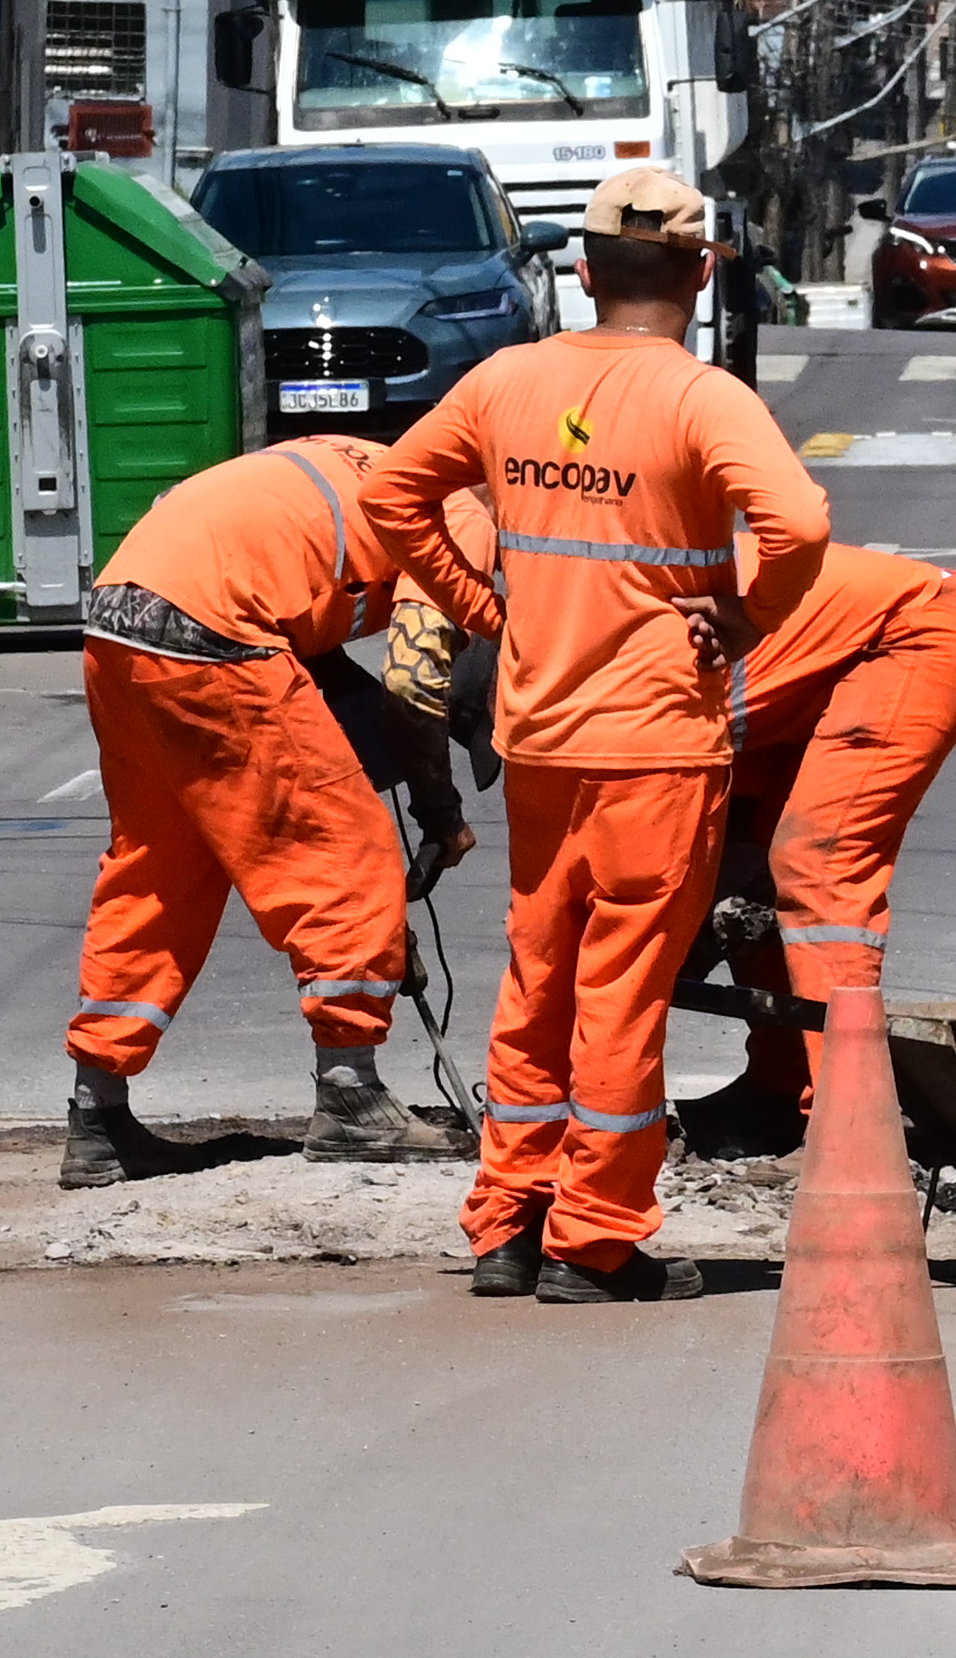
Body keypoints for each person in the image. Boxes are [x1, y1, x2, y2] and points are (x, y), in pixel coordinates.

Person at [351, 153, 827, 1302]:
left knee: (540, 975)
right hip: (658, 740)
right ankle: (596, 1237)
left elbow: (391, 496)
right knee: (620, 990)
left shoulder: (507, 381)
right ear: (703, 272)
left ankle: (507, 1221)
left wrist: (480, 609)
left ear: (581, 268)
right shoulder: (702, 396)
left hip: (542, 739)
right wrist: (747, 612)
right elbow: (800, 521)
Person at [60, 428, 489, 1182]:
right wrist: (440, 816)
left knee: (161, 867)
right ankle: (351, 1098)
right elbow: (417, 679)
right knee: (345, 856)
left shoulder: (361, 454)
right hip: (216, 632)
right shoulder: (462, 519)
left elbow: (289, 588)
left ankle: (97, 1118)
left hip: (118, 618)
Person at [683, 534, 956, 1162]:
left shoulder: (646, 652)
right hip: (801, 671)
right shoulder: (595, 627)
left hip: (912, 634)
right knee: (746, 870)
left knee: (816, 866)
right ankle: (781, 1085)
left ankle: (850, 1124)